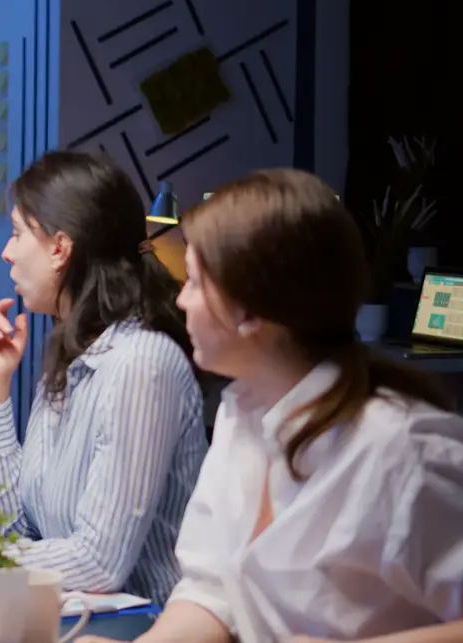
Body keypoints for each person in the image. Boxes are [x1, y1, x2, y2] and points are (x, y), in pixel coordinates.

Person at [80, 169, 463, 643]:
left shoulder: (400, 448)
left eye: (195, 282)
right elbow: (212, 593)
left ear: (250, 312)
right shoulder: (240, 415)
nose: (180, 299)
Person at [0, 151, 208, 606]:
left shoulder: (140, 364)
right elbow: (16, 530)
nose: (7, 252)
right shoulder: (72, 354)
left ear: (60, 248)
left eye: (17, 234)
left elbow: (98, 564)